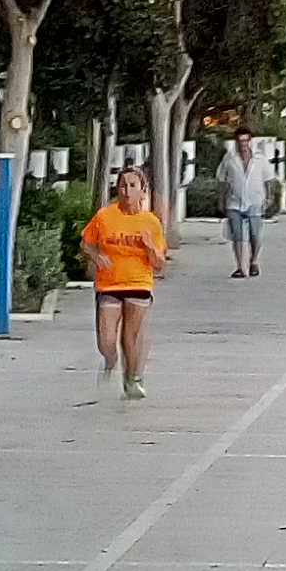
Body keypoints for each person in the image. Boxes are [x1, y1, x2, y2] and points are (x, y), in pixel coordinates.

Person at [82, 166, 167, 397]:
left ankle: (132, 380)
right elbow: (85, 243)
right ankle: (110, 359)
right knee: (106, 340)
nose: (127, 191)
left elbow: (159, 263)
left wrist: (149, 247)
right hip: (109, 283)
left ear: (142, 191)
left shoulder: (150, 222)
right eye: (123, 186)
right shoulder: (104, 216)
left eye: (132, 186)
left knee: (129, 336)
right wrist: (96, 256)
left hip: (138, 283)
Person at [220, 125, 269, 279]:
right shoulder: (229, 159)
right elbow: (222, 181)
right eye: (240, 141)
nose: (243, 144)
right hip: (234, 201)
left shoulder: (260, 159)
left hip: (255, 201)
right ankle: (240, 267)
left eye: (246, 141)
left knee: (255, 235)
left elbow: (268, 179)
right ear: (236, 142)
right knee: (237, 235)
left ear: (250, 141)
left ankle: (253, 261)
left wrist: (269, 197)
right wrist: (221, 200)